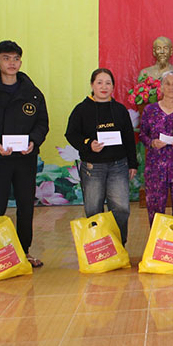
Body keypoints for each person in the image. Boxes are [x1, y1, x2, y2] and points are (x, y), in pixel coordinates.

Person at [0, 40, 49, 267]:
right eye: (6, 58)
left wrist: (33, 141)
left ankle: (24, 251)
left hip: (25, 159)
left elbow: (42, 123)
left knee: (26, 206)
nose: (11, 63)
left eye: (16, 59)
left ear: (20, 62)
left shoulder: (33, 94)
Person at [65, 68, 137, 244]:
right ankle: (98, 248)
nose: (104, 87)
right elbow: (71, 134)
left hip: (118, 166)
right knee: (93, 210)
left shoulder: (120, 110)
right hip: (93, 168)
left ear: (113, 87)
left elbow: (129, 138)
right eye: (99, 83)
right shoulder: (81, 109)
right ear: (92, 85)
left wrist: (132, 163)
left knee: (121, 208)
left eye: (108, 83)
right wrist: (88, 144)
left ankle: (119, 246)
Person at [139, 70, 173, 224]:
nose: (171, 87)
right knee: (155, 207)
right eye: (167, 84)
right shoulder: (150, 110)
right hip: (156, 166)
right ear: (161, 87)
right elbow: (142, 134)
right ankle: (158, 238)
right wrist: (152, 142)